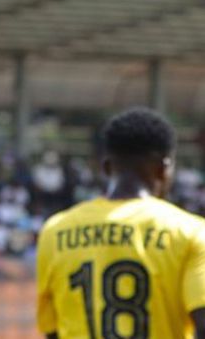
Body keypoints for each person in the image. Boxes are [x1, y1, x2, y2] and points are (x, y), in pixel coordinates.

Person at [36, 107, 205, 339]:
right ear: (163, 169)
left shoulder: (55, 231)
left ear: (106, 167)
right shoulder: (191, 232)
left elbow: (52, 331)